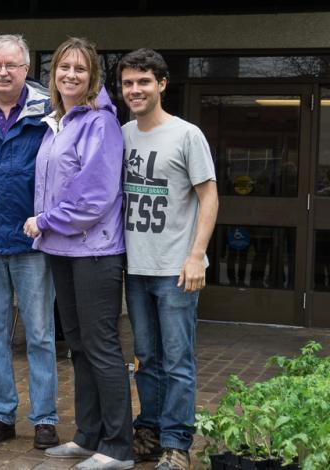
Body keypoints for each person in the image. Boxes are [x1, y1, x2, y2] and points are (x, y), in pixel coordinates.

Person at [23, 37, 133, 469]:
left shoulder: (100, 123)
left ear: (92, 78)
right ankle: (88, 436)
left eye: (80, 69)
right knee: (80, 347)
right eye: (63, 67)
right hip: (63, 250)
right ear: (53, 75)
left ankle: (118, 446)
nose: (70, 74)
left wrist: (45, 220)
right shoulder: (60, 122)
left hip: (95, 252)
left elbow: (95, 196)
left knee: (102, 347)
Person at [118, 48, 218, 470]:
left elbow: (208, 195)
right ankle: (150, 432)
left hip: (176, 270)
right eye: (128, 83)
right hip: (135, 267)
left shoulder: (187, 135)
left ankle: (178, 444)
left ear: (161, 84)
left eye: (144, 82)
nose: (135, 90)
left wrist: (197, 256)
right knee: (147, 357)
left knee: (177, 359)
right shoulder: (121, 134)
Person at [0, 34, 59, 449]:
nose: (3, 72)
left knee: (39, 334)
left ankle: (45, 419)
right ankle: (0, 414)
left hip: (32, 243)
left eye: (12, 66)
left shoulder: (49, 113)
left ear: (26, 70)